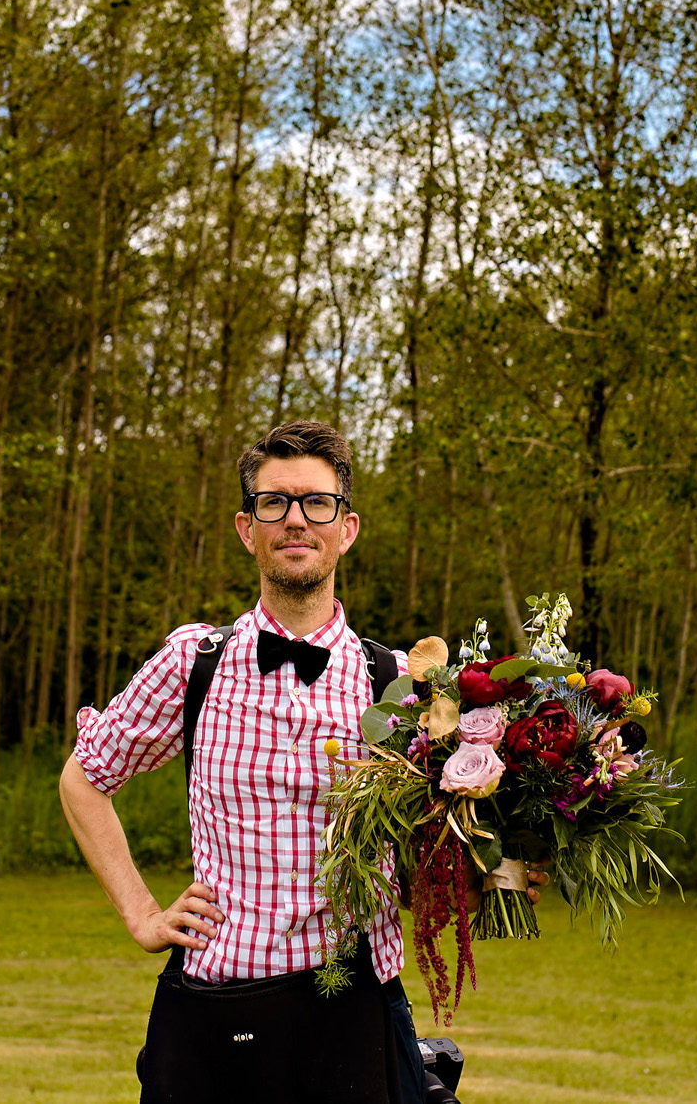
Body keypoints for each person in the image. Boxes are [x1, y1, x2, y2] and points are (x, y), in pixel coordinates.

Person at [60, 420, 459, 1103]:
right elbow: (84, 777)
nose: (295, 520)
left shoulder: (398, 684)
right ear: (248, 529)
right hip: (214, 1019)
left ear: (347, 527)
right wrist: (142, 914)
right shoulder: (195, 663)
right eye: (274, 503)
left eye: (316, 503)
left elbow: (441, 846)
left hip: (356, 1014)